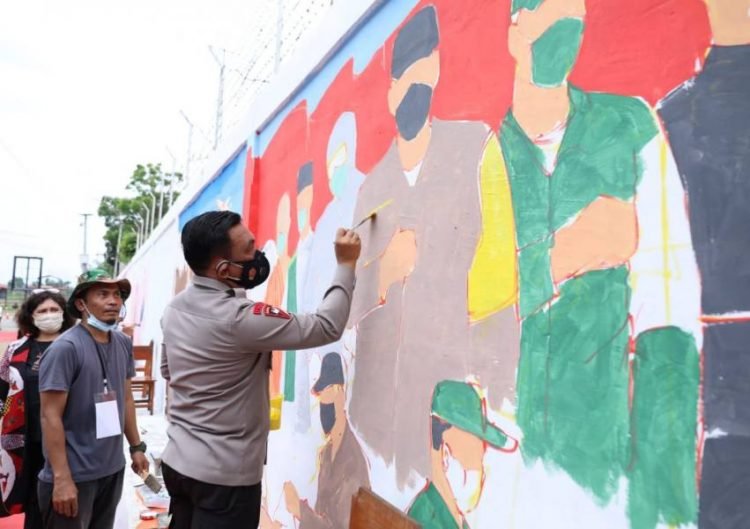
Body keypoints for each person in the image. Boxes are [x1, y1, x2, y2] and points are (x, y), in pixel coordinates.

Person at [492, 0, 701, 522]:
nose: (566, 36)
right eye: (552, 20)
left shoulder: (628, 127)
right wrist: (562, 256)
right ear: (515, 31)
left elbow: (669, 313)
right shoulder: (486, 159)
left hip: (608, 474)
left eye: (575, 22)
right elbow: (465, 317)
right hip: (506, 476)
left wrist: (665, 499)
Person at [159, 210, 361, 529]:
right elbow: (326, 326)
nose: (258, 255)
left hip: (178, 464)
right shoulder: (240, 318)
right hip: (224, 480)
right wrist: (346, 265)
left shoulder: (174, 310)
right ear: (224, 269)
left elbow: (168, 371)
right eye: (249, 250)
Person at [38, 269, 149, 529]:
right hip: (74, 475)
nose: (113, 301)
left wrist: (136, 447)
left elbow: (126, 399)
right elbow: (49, 416)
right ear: (81, 304)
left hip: (112, 469)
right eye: (103, 294)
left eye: (117, 295)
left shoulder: (122, 343)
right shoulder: (65, 349)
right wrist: (61, 478)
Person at [0, 290, 75, 527]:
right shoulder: (15, 350)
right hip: (27, 438)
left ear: (64, 313)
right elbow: (4, 391)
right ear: (31, 316)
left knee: (66, 500)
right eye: (42, 311)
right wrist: (4, 417)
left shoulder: (75, 346)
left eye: (54, 310)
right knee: (33, 498)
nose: (49, 315)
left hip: (68, 438)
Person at [407, 381, 516, 529]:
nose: (483, 472)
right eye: (476, 459)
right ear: (445, 456)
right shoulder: (425, 518)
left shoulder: (455, 521)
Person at [283, 352, 370, 529]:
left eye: (328, 391)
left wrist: (300, 511)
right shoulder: (327, 453)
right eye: (321, 394)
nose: (323, 399)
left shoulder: (353, 463)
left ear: (341, 394)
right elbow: (323, 515)